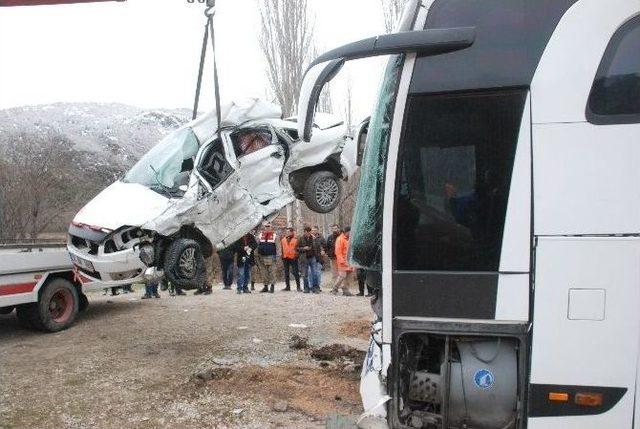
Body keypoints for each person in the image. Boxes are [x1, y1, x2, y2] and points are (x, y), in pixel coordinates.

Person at [256, 222, 278, 293]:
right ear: (264, 227)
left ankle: (272, 286)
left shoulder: (275, 236)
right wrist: (256, 255)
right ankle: (265, 286)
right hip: (261, 256)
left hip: (271, 256)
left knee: (272, 272)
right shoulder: (260, 235)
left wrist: (278, 256)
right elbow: (257, 245)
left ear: (271, 227)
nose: (267, 227)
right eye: (266, 226)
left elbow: (278, 247)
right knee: (263, 272)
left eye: (268, 226)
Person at [297, 226, 321, 294]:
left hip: (313, 257)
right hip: (304, 258)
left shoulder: (313, 238)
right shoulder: (300, 238)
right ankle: (306, 288)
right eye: (307, 232)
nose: (308, 233)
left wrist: (318, 256)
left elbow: (318, 246)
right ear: (304, 232)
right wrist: (304, 248)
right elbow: (296, 248)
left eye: (309, 232)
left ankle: (315, 288)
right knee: (305, 274)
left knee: (315, 273)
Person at [331, 226, 354, 296]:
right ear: (347, 232)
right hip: (343, 261)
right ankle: (335, 288)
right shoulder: (340, 239)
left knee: (349, 277)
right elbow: (338, 251)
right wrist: (341, 261)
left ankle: (346, 290)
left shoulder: (350, 239)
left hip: (350, 261)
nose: (351, 233)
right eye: (350, 232)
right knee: (342, 276)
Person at [281, 227, 301, 291]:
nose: (287, 233)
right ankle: (287, 287)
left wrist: (296, 255)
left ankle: (298, 287)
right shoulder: (283, 239)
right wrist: (282, 256)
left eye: (288, 231)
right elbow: (282, 248)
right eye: (286, 232)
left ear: (292, 232)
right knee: (286, 273)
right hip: (285, 258)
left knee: (295, 272)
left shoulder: (296, 239)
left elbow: (299, 249)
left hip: (293, 258)